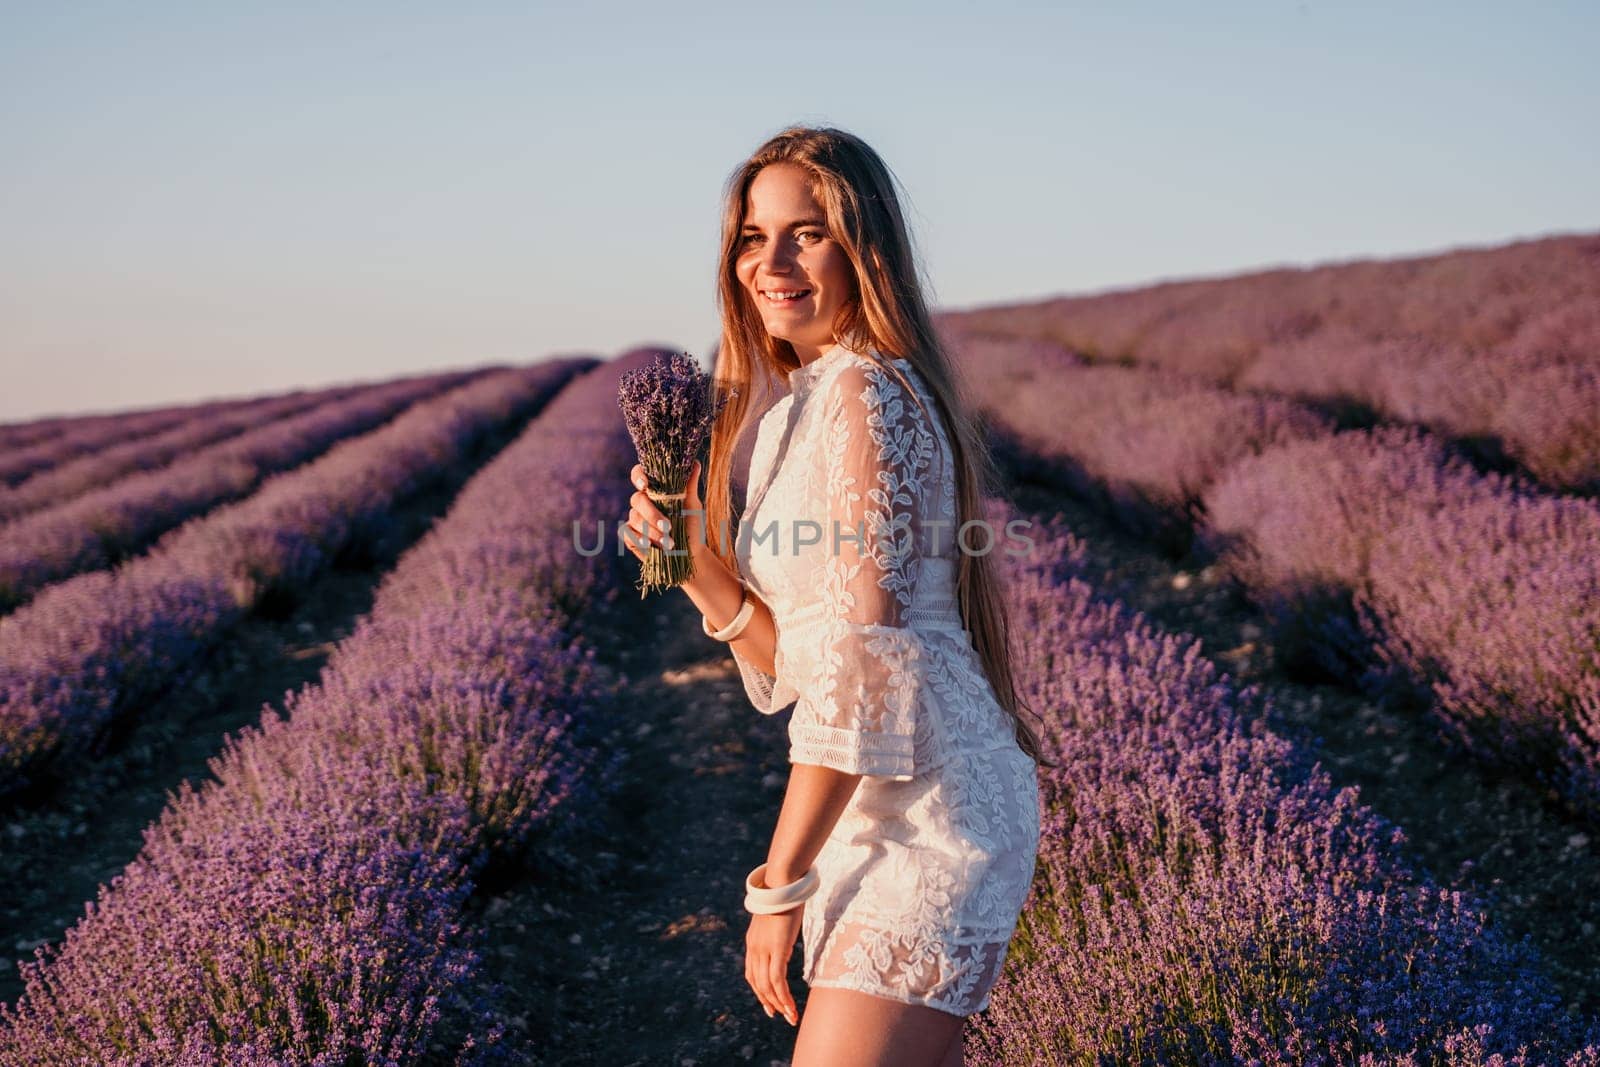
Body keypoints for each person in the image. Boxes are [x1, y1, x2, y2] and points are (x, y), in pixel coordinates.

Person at [622, 125, 1050, 1067]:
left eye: (806, 232)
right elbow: (807, 664)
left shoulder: (867, 396)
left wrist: (776, 885)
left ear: (866, 247)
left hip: (930, 812)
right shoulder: (802, 409)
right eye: (751, 236)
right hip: (877, 796)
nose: (769, 262)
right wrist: (697, 565)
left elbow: (866, 668)